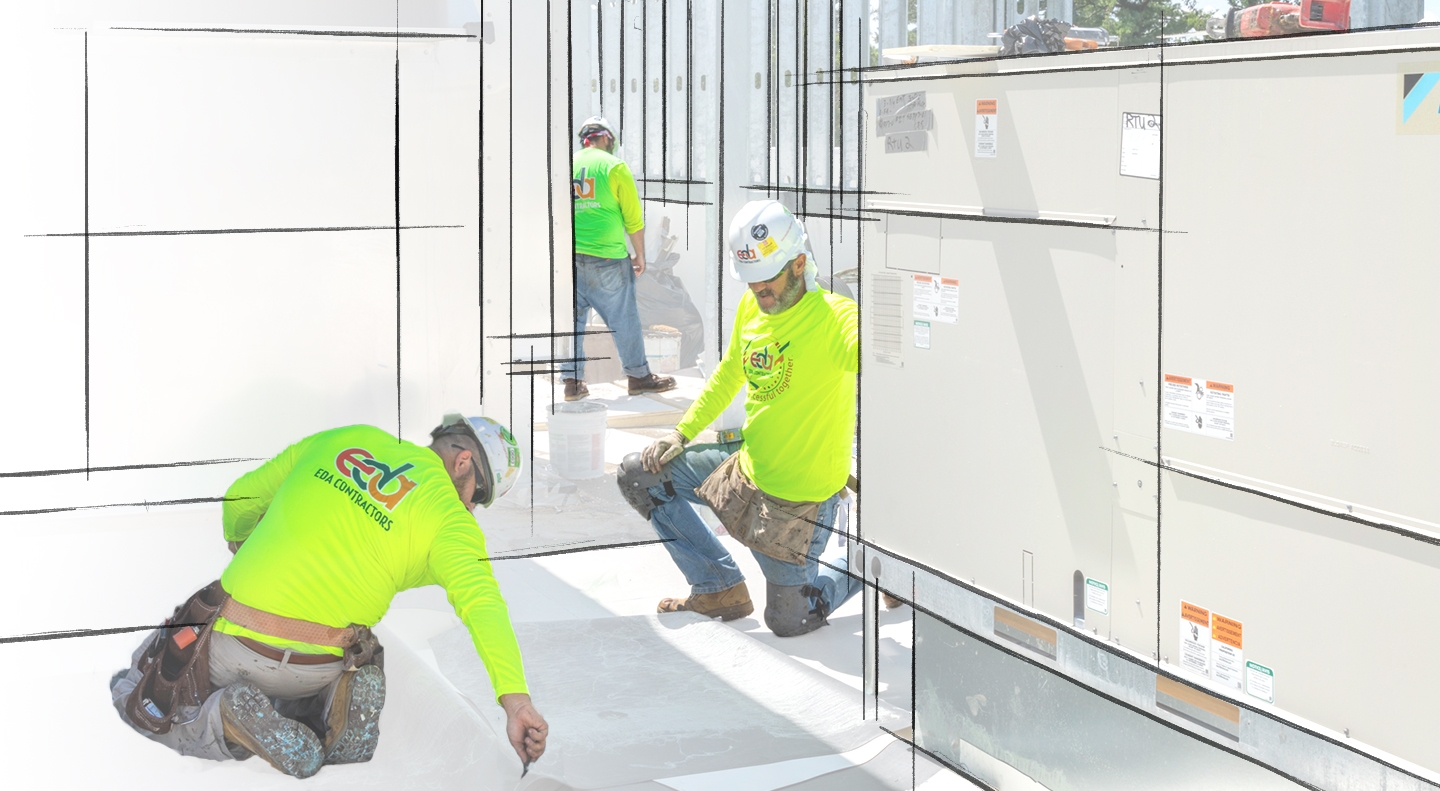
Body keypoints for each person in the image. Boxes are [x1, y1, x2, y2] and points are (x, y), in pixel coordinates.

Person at [110, 415, 548, 778]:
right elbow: (483, 604)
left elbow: (240, 498)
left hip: (237, 642)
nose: (472, 507)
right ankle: (335, 712)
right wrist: (517, 702)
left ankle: (226, 715)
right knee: (359, 638)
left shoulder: (347, 438)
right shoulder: (452, 522)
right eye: (480, 495)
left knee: (140, 688)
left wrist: (242, 541)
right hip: (318, 667)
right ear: (464, 461)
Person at [617, 200, 862, 637]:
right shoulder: (755, 307)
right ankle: (718, 586)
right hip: (747, 472)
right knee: (641, 475)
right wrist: (682, 432)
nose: (757, 294)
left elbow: (881, 358)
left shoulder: (836, 319)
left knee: (789, 621)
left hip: (798, 505)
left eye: (766, 284)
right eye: (750, 285)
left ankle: (873, 567)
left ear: (799, 263)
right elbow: (732, 371)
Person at [566, 115, 676, 401]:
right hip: (608, 259)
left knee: (572, 322)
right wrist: (640, 255)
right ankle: (639, 377)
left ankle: (572, 383)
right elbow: (633, 219)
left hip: (570, 259)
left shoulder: (566, 164)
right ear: (606, 138)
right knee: (624, 319)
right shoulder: (614, 166)